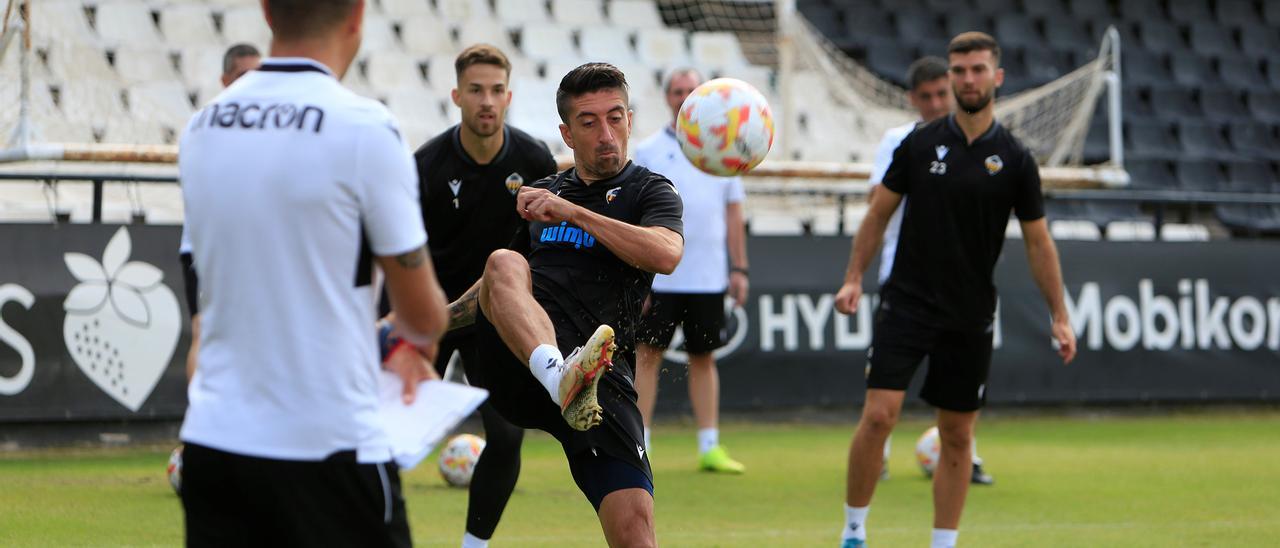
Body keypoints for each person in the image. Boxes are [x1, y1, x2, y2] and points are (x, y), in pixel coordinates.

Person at [177, 1, 449, 545]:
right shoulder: (365, 128)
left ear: (267, 13)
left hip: (215, 447)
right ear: (357, 16)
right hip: (328, 446)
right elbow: (423, 317)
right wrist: (404, 340)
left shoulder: (202, 126)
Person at [832, 32, 1077, 548]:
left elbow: (1038, 242)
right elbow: (879, 214)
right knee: (878, 417)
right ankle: (853, 532)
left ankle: (943, 543)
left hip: (970, 313)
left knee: (958, 435)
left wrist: (1059, 313)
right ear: (950, 77)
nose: (968, 79)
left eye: (977, 70)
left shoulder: (1015, 159)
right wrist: (854, 277)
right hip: (908, 301)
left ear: (997, 77)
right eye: (959, 71)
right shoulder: (917, 145)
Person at [445, 62, 683, 547]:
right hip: (523, 367)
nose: (605, 134)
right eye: (589, 122)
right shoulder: (546, 192)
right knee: (504, 261)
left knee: (635, 534)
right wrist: (425, 324)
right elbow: (496, 285)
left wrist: (575, 213)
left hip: (598, 376)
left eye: (615, 118)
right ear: (566, 133)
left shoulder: (650, 191)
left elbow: (665, 253)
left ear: (631, 121)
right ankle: (558, 376)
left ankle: (572, 385)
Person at [409, 44, 557, 548]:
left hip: (496, 316)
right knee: (387, 435)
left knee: (508, 435)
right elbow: (401, 254)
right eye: (476, 90)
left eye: (496, 90)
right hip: (431, 315)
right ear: (456, 95)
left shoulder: (534, 159)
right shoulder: (426, 165)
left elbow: (544, 249)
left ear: (509, 95)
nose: (487, 101)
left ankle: (475, 546)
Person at [869, 56, 993, 486]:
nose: (937, 103)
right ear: (913, 100)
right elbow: (877, 204)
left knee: (961, 385)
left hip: (962, 284)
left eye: (943, 93)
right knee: (885, 384)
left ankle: (967, 456)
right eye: (928, 96)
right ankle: (877, 458)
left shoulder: (980, 141)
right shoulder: (899, 141)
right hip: (904, 279)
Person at [632, 68, 748, 474]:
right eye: (677, 91)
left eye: (691, 91)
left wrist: (740, 267)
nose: (684, 97)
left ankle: (709, 445)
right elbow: (636, 214)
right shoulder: (648, 151)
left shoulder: (724, 149)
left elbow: (734, 213)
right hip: (661, 276)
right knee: (647, 357)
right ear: (667, 98)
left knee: (704, 357)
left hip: (707, 276)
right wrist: (640, 274)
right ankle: (639, 440)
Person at [179, 42, 262, 384]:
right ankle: (198, 415)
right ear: (225, 79)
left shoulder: (262, 124)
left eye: (258, 75)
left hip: (246, 246)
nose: (252, 83)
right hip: (206, 248)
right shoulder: (205, 124)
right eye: (243, 75)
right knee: (204, 333)